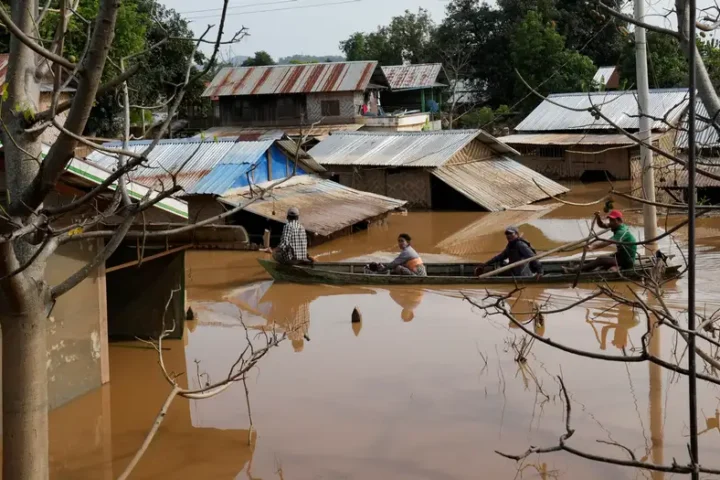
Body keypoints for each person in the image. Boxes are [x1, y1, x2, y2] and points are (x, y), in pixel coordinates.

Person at [562, 210, 637, 273]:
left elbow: (608, 242)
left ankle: (575, 271)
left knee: (601, 259)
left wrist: (592, 247)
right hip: (620, 255)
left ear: (619, 220)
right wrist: (598, 217)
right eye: (610, 220)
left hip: (627, 261)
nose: (610, 222)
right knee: (604, 259)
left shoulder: (622, 231)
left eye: (612, 220)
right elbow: (602, 225)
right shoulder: (616, 226)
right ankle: (583, 267)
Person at [475, 226, 542, 278]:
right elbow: (500, 257)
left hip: (522, 274)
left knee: (493, 274)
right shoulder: (510, 245)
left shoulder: (520, 245)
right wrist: (485, 264)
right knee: (493, 270)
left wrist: (539, 272)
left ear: (516, 234)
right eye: (507, 233)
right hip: (513, 271)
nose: (508, 235)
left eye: (510, 233)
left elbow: (533, 257)